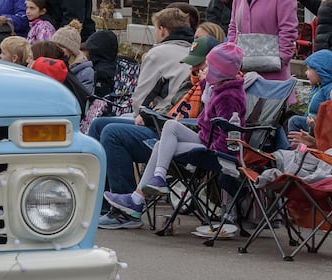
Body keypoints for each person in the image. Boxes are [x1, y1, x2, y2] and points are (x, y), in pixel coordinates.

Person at [103, 41, 248, 222]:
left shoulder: (230, 96)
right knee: (168, 131)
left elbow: (230, 133)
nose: (204, 69)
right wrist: (204, 83)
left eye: (209, 66)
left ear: (219, 71)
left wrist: (213, 148)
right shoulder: (218, 87)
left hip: (219, 152)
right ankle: (150, 186)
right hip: (205, 139)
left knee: (162, 143)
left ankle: (140, 197)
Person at [127, 6, 196, 112]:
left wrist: (138, 115)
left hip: (163, 117)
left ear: (162, 30)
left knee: (103, 124)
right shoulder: (195, 52)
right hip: (189, 114)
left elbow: (140, 99)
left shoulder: (157, 54)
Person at [285, 49, 332, 143]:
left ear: (320, 70)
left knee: (294, 121)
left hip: (320, 127)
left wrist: (316, 122)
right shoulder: (318, 86)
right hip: (312, 123)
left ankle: (294, 148)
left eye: (309, 69)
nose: (306, 73)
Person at [50, 22, 93, 94]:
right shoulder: (49, 63)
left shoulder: (85, 72)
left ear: (72, 51)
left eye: (62, 46)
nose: (57, 49)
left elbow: (83, 97)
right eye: (54, 45)